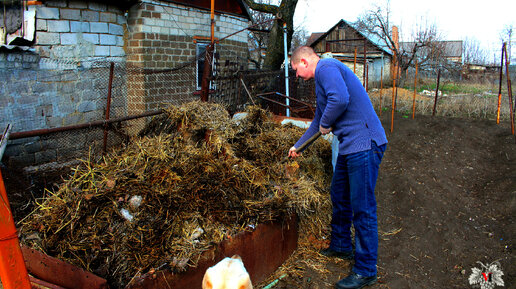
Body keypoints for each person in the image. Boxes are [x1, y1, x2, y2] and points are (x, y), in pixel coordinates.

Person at [288, 46, 387, 289]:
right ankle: (341, 245)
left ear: (303, 61)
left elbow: (340, 100)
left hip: (365, 143)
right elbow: (317, 123)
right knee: (339, 195)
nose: (297, 76)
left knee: (362, 207)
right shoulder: (322, 83)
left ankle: (366, 270)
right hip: (350, 146)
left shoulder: (326, 68)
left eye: (296, 71)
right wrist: (297, 147)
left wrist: (326, 122)